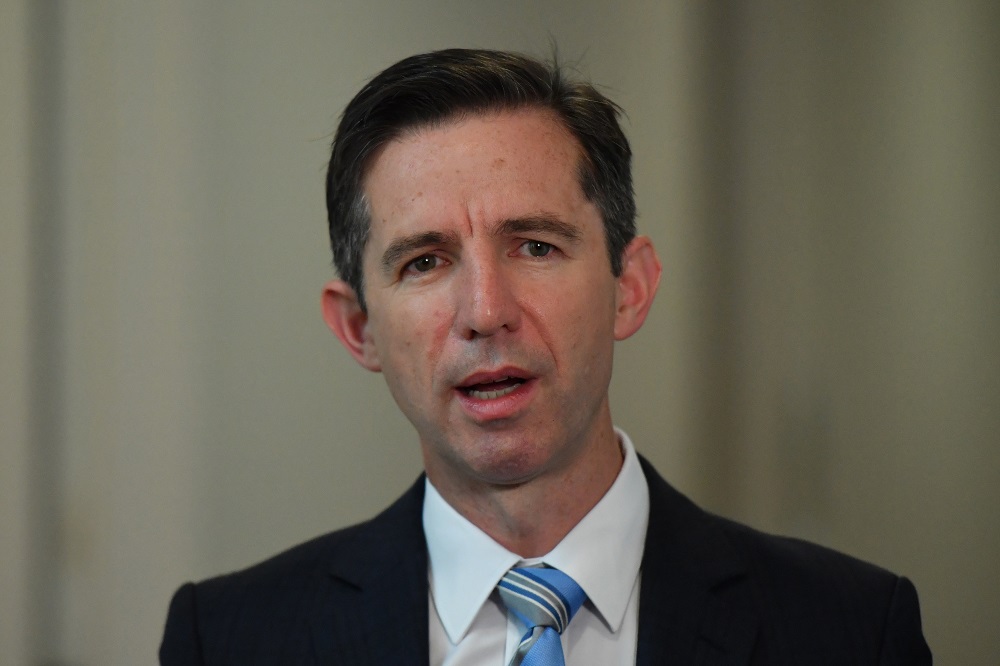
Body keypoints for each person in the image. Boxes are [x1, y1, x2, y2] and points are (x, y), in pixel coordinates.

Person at [159, 48, 931, 665]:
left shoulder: (854, 631)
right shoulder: (227, 639)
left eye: (535, 245)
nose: (487, 312)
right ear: (358, 326)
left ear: (628, 285)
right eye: (424, 261)